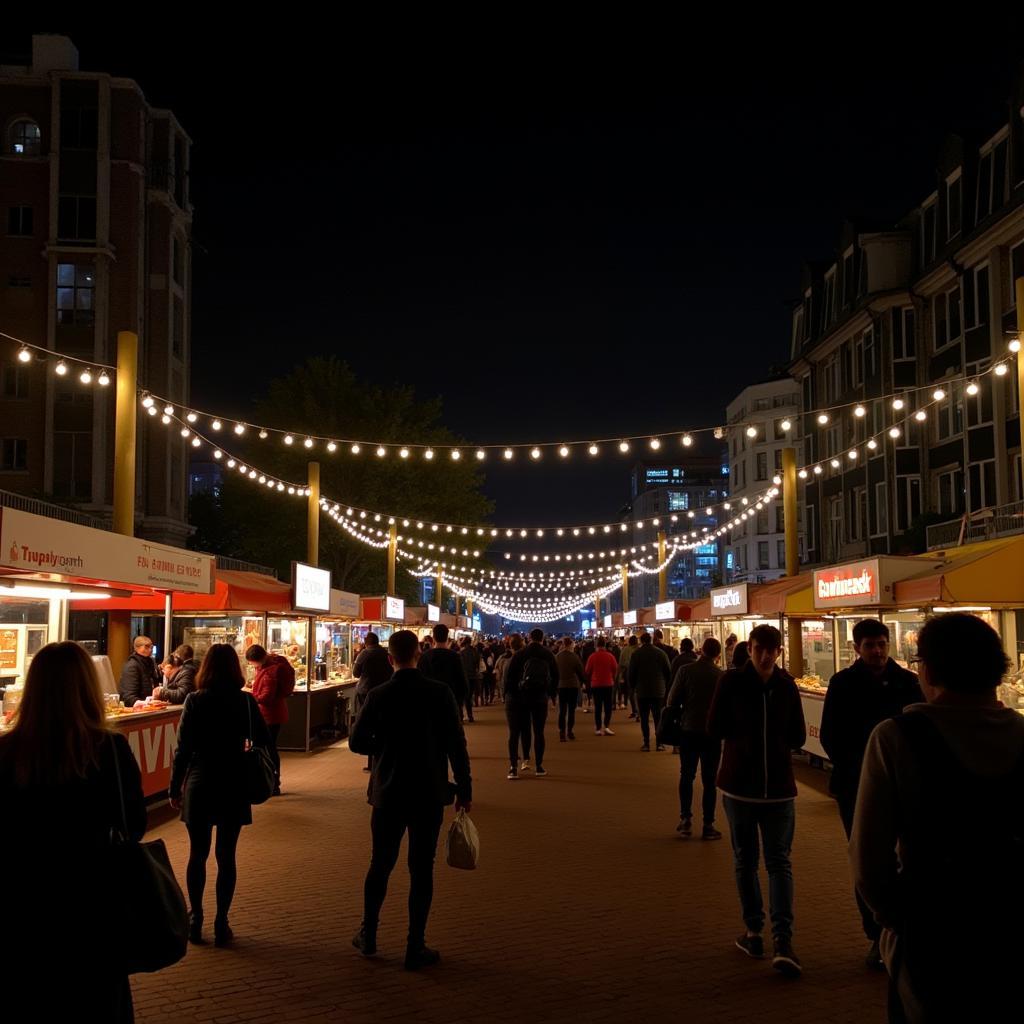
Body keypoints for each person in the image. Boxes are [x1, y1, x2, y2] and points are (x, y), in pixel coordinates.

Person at [851, 613, 1024, 1022]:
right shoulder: (1020, 733)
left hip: (931, 934)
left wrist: (897, 922)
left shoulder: (895, 738)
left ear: (927, 669)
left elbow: (868, 858)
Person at [0, 641, 146, 1021]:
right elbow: (134, 824)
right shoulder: (110, 749)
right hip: (95, 903)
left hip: (25, 904)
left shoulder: (8, 751)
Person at [349, 629, 472, 970]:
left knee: (380, 864)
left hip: (388, 792)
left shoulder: (379, 694)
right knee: (421, 869)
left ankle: (369, 934)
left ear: (390, 659)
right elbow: (456, 745)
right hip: (429, 792)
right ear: (419, 653)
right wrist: (465, 788)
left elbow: (356, 742)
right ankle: (414, 945)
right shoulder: (439, 693)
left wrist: (385, 749)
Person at [820, 618, 922, 970]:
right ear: (857, 648)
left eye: (881, 644)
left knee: (909, 856)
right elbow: (831, 735)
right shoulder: (842, 684)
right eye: (870, 645)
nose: (877, 651)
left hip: (906, 788)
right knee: (866, 858)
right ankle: (876, 935)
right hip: (855, 786)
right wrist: (858, 770)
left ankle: (905, 929)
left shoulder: (910, 683)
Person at [708, 623, 806, 977]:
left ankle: (781, 939)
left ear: (779, 652)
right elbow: (715, 726)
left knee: (778, 862)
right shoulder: (731, 682)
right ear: (749, 649)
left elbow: (797, 733)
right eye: (760, 648)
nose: (766, 655)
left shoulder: (786, 684)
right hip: (740, 788)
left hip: (778, 790)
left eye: (772, 649)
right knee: (746, 861)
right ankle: (754, 931)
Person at [170, 643, 269, 948]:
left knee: (197, 854)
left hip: (201, 780)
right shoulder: (246, 702)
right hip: (234, 780)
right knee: (227, 856)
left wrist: (175, 787)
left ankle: (196, 918)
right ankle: (221, 921)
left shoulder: (195, 700)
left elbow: (183, 748)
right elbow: (262, 738)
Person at [667, 636, 724, 839]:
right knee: (710, 781)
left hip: (688, 730)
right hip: (712, 734)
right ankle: (708, 825)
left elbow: (672, 700)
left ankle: (685, 820)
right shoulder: (720, 675)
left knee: (686, 775)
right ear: (718, 655)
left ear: (701, 651)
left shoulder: (685, 671)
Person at [504, 627, 559, 778]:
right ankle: (539, 766)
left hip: (520, 698)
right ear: (542, 638)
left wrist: (509, 695)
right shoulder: (548, 654)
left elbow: (510, 678)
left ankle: (513, 767)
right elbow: (555, 675)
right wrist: (551, 694)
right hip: (540, 697)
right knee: (539, 732)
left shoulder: (520, 654)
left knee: (516, 732)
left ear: (529, 637)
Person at [245, 643, 295, 796]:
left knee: (267, 749)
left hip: (269, 715)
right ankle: (272, 781)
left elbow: (266, 697)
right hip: (274, 713)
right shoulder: (272, 664)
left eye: (251, 663)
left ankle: (271, 782)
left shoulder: (269, 672)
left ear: (257, 659)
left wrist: (249, 694)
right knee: (269, 748)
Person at [628, 632, 672, 751]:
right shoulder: (661, 653)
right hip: (658, 691)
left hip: (642, 691)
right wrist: (666, 686)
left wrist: (632, 687)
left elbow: (631, 673)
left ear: (641, 641)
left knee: (644, 718)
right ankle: (659, 743)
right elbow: (668, 672)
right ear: (651, 640)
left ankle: (646, 743)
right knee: (658, 718)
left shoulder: (636, 654)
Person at [419, 624, 470, 718]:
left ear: (433, 637)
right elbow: (462, 682)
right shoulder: (455, 656)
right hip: (450, 703)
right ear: (447, 637)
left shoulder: (425, 657)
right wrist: (459, 703)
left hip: (430, 705)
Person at [585, 635, 619, 736]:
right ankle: (607, 726)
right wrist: (612, 676)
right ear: (604, 645)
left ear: (596, 645)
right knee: (608, 706)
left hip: (596, 684)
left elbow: (587, 671)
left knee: (598, 707)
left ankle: (598, 728)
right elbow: (615, 669)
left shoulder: (592, 656)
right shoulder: (610, 656)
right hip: (608, 683)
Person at [555, 636, 587, 740]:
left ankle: (561, 732)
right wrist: (584, 682)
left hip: (561, 685)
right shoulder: (574, 657)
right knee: (571, 710)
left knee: (562, 710)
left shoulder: (557, 657)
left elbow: (553, 672)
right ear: (571, 645)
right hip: (573, 685)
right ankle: (570, 731)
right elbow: (580, 672)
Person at [119, 634, 160, 705]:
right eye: (146, 647)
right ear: (136, 648)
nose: (150, 650)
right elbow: (128, 696)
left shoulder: (150, 663)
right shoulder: (132, 666)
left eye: (151, 647)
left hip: (150, 706)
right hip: (137, 709)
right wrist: (145, 703)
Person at [459, 637, 483, 719]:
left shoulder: (461, 653)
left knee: (462, 697)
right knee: (469, 697)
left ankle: (461, 716)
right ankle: (470, 716)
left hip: (464, 676)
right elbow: (477, 665)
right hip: (473, 676)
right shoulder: (475, 652)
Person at [618, 634, 639, 713]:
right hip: (637, 672)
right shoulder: (638, 650)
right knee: (637, 691)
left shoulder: (625, 650)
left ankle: (634, 709)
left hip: (627, 671)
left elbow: (621, 662)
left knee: (630, 690)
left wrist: (620, 674)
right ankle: (637, 710)